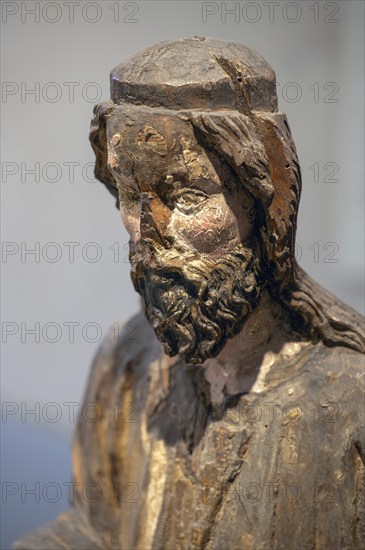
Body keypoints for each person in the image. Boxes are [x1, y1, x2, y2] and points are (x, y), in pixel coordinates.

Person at [15, 37, 364, 550]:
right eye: (132, 196)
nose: (149, 236)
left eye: (186, 196)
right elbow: (91, 530)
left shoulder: (350, 405)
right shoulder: (126, 361)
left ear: (264, 202)